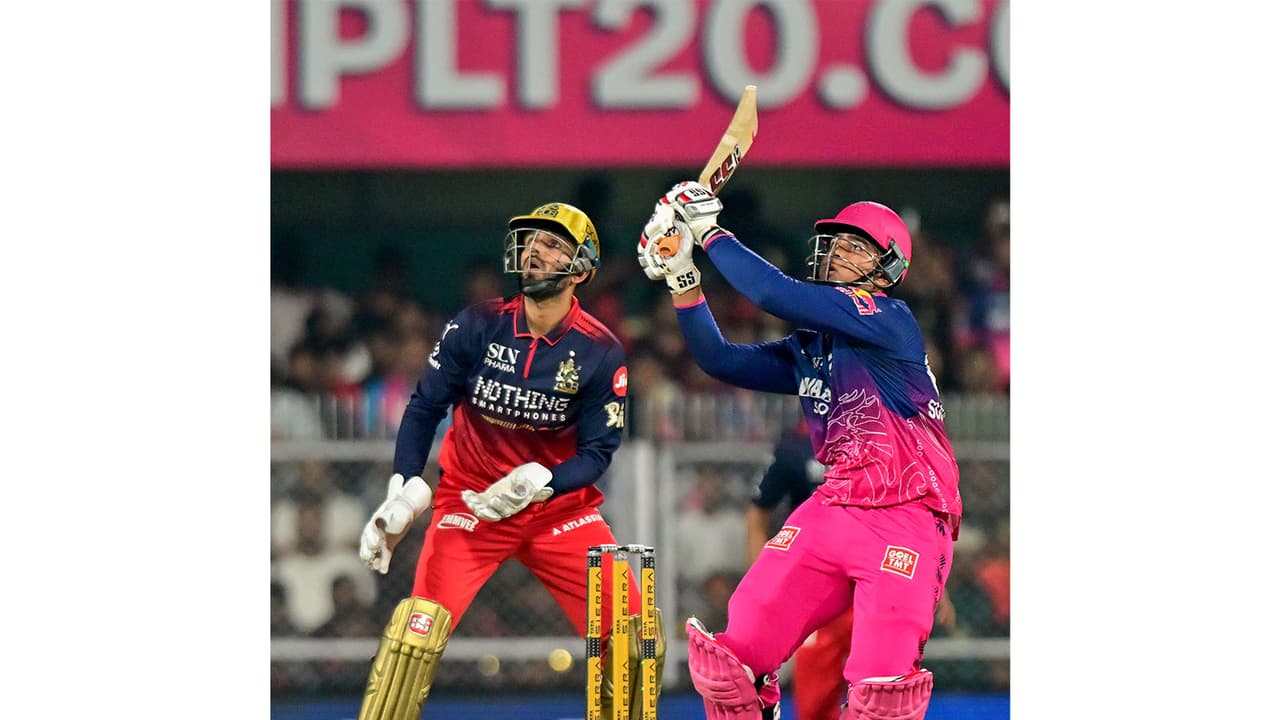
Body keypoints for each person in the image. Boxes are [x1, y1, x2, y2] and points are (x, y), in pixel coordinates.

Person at [637, 182, 963, 720]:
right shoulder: (809, 345)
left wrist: (710, 232)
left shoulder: (889, 319)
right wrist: (683, 279)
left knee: (881, 699)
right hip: (834, 505)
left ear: (888, 267)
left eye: (855, 246)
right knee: (729, 665)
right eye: (834, 244)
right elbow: (719, 359)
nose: (836, 253)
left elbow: (773, 294)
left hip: (907, 513)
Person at [354, 202, 664, 720]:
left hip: (560, 513)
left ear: (582, 270)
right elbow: (425, 406)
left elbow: (597, 453)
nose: (536, 252)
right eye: (532, 241)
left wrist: (546, 480)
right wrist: (402, 491)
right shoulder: (477, 325)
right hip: (470, 504)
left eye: (554, 245)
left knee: (634, 637)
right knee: (414, 637)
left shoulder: (601, 350)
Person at [747, 424, 957, 720]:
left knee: (882, 694)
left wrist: (934, 585)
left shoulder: (892, 440)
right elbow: (757, 515)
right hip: (821, 595)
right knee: (814, 704)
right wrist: (768, 586)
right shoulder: (796, 447)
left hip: (882, 586)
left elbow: (917, 520)